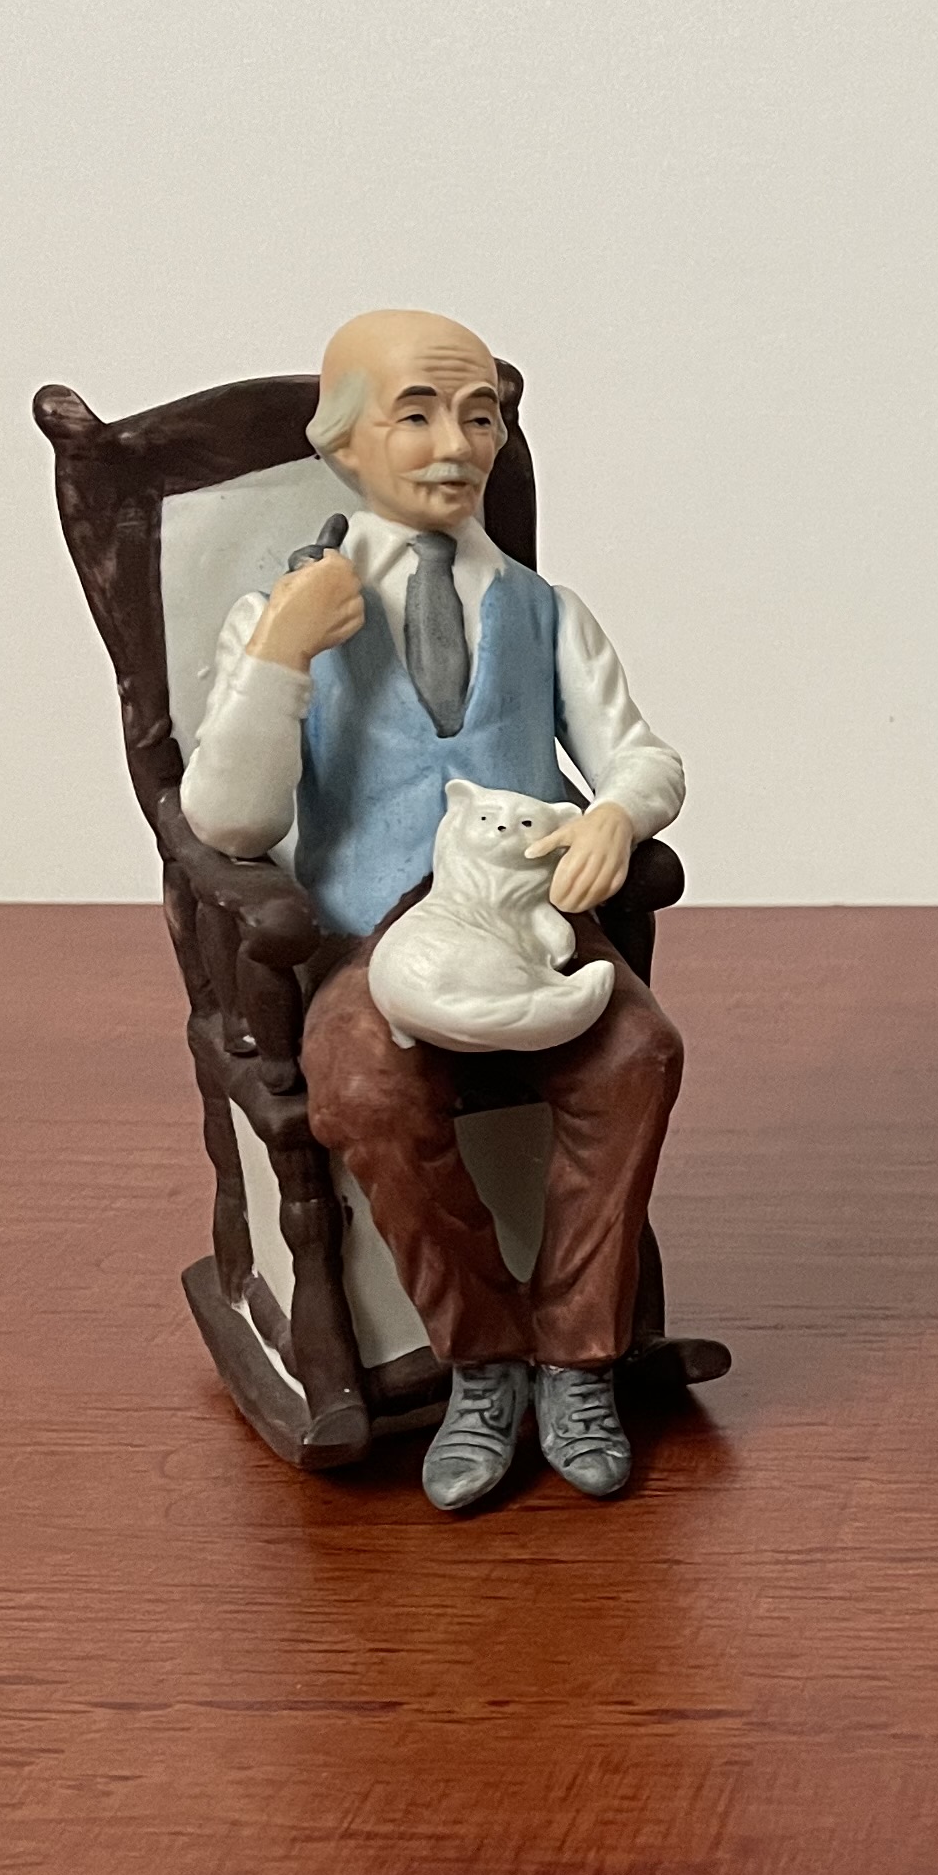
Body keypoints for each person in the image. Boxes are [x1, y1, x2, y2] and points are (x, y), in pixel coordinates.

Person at [179, 310, 688, 1511]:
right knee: (362, 1087)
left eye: (479, 416)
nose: (456, 445)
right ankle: (482, 1357)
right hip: (375, 939)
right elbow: (229, 822)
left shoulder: (544, 610)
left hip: (531, 932)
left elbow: (642, 756)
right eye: (415, 414)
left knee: (638, 1056)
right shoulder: (283, 612)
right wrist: (282, 657)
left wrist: (616, 816)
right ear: (343, 443)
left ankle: (578, 1357)